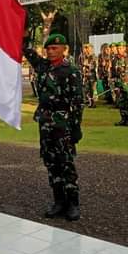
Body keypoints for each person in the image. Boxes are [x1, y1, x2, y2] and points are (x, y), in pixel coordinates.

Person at [23, 31, 84, 222]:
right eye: (48, 48)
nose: (50, 51)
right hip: (46, 121)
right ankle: (58, 201)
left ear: (64, 49)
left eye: (54, 48)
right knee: (51, 162)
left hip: (63, 122)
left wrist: (75, 127)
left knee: (65, 163)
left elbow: (77, 102)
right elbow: (27, 51)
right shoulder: (43, 66)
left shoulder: (70, 71)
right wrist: (23, 35)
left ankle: (72, 203)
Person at [111, 42, 128, 126]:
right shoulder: (115, 59)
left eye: (121, 48)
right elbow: (113, 72)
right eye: (118, 48)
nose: (119, 50)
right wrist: (114, 84)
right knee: (120, 102)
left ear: (124, 48)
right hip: (118, 83)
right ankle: (123, 118)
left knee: (127, 102)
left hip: (126, 83)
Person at [77, 43, 97, 108]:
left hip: (92, 76)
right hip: (85, 76)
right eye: (86, 48)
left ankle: (94, 102)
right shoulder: (82, 56)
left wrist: (86, 65)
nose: (87, 50)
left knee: (93, 90)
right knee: (86, 89)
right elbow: (79, 65)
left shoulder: (93, 56)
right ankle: (90, 102)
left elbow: (93, 66)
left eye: (88, 48)